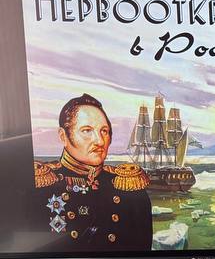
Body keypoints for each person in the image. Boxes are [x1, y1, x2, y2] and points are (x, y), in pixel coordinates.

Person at [35, 93, 151, 249]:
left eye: (104, 131)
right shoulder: (41, 185)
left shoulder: (129, 188)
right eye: (87, 130)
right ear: (63, 136)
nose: (99, 141)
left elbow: (141, 253)